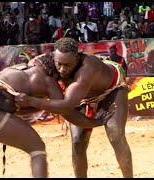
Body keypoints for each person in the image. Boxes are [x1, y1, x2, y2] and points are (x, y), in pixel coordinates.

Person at [0, 53, 107, 178]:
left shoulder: (17, 69)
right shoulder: (48, 80)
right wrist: (96, 122)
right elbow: (66, 111)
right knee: (37, 148)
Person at [15, 38, 133, 178]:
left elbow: (67, 105)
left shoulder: (88, 68)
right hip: (82, 98)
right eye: (59, 64)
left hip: (111, 89)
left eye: (67, 65)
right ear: (53, 57)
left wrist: (30, 100)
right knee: (77, 142)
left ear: (77, 58)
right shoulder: (44, 62)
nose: (62, 69)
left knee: (115, 134)